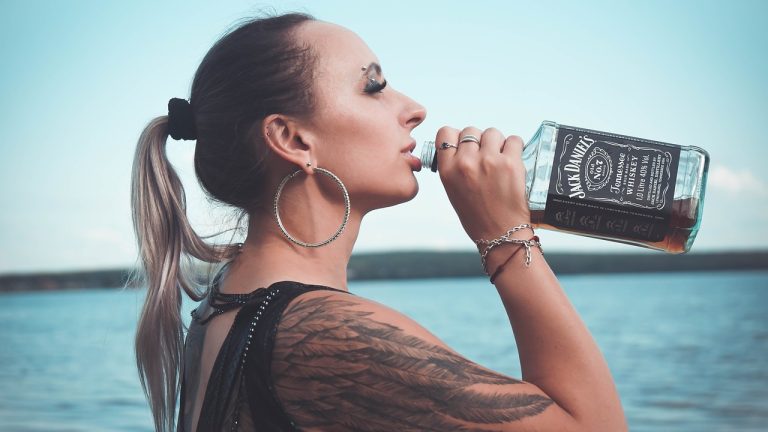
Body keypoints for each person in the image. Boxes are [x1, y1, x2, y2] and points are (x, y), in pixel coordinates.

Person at [129, 12, 627, 432]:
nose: (413, 110)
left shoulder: (223, 307)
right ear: (294, 140)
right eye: (374, 87)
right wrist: (506, 236)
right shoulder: (321, 335)